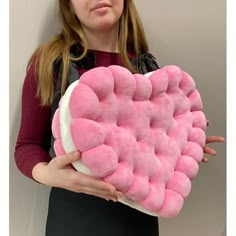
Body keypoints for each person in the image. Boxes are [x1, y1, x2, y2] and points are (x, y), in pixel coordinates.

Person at [14, 0, 225, 235]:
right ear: (69, 5)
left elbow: (151, 141)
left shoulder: (147, 69)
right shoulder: (51, 63)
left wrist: (183, 142)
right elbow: (26, 146)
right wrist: (50, 175)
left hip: (138, 219)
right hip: (74, 220)